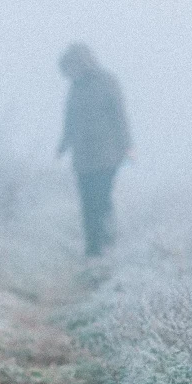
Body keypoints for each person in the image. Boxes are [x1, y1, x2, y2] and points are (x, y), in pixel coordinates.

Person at [55, 43, 132, 256]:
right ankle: (92, 249)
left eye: (71, 67)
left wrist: (128, 146)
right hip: (83, 157)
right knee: (87, 203)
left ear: (82, 63)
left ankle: (106, 244)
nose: (70, 74)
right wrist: (63, 145)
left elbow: (120, 116)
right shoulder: (75, 88)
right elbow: (69, 120)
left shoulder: (107, 82)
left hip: (108, 155)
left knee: (101, 200)